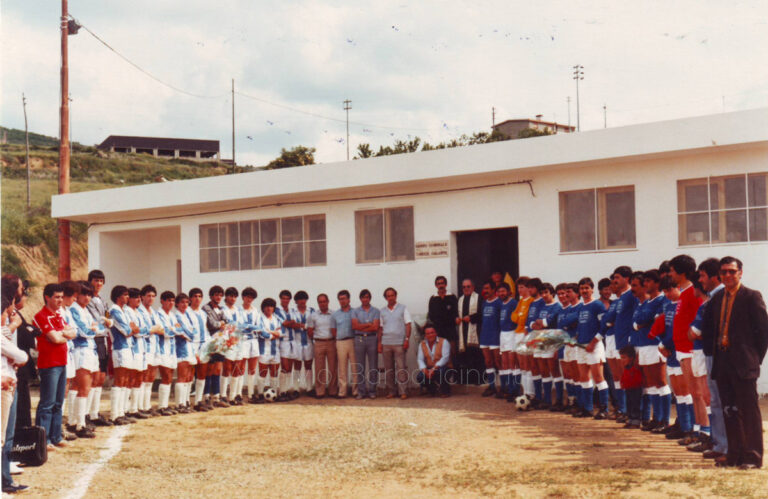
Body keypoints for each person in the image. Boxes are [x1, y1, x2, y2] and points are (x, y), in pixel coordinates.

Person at [701, 256, 768, 470]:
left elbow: (763, 334)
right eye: (724, 272)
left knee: (748, 412)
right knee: (728, 410)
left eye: (732, 271)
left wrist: (753, 359)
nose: (728, 275)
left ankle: (753, 456)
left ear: (740, 272)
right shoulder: (717, 297)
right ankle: (735, 454)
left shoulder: (751, 296)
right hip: (723, 362)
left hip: (744, 364)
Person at [33, 283, 76, 448]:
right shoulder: (41, 316)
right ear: (47, 297)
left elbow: (72, 332)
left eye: (61, 297)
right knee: (47, 403)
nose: (60, 300)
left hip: (62, 361)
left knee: (58, 402)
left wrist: (63, 334)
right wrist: (64, 334)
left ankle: (56, 436)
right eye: (56, 297)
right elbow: (56, 338)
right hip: (49, 364)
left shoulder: (58, 315)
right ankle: (43, 439)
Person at [693, 258, 727, 459]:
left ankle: (726, 446)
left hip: (721, 357)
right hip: (710, 355)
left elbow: (698, 331)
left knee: (722, 402)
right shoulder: (712, 299)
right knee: (715, 402)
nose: (701, 280)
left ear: (714, 277)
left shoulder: (722, 297)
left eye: (703, 275)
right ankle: (720, 444)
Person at [669, 254, 703, 443]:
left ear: (682, 272)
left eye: (673, 271)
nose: (670, 274)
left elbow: (700, 319)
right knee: (691, 392)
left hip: (690, 349)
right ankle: (695, 430)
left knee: (696, 393)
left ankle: (699, 432)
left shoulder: (693, 292)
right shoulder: (683, 293)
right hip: (681, 348)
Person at [85, 270, 110, 425]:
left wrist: (106, 322)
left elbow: (108, 319)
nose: (98, 284)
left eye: (101, 281)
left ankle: (94, 413)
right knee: (92, 378)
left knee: (100, 378)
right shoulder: (88, 301)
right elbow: (100, 321)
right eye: (96, 280)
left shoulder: (101, 300)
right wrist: (106, 322)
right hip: (94, 339)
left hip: (103, 339)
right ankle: (86, 414)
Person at [378, 287, 412, 400]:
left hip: (399, 343)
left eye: (392, 295)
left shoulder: (403, 308)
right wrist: (379, 342)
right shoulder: (382, 311)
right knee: (389, 369)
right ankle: (391, 391)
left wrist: (407, 339)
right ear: (386, 298)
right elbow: (380, 328)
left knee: (401, 367)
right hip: (386, 343)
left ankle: (403, 391)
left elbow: (408, 324)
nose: (390, 297)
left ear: (396, 296)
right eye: (388, 296)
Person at [351, 289, 380, 399]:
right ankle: (361, 391)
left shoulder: (376, 311)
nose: (365, 299)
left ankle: (372, 390)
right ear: (360, 299)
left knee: (373, 366)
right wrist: (368, 324)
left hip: (372, 339)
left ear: (370, 298)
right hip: (359, 339)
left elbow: (375, 327)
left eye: (367, 297)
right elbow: (354, 326)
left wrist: (362, 326)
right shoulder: (355, 311)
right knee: (360, 367)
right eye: (363, 297)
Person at [308, 294, 337, 398]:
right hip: (319, 343)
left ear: (328, 302)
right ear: (318, 303)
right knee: (319, 368)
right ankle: (320, 391)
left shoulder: (334, 314)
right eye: (320, 302)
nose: (322, 304)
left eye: (324, 301)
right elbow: (310, 331)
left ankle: (333, 390)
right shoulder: (313, 315)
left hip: (331, 342)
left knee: (332, 368)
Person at [426, 276, 458, 369]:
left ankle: (453, 376)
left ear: (446, 284)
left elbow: (456, 313)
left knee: (452, 352)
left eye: (442, 283)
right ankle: (443, 376)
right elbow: (431, 315)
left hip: (450, 330)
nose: (440, 285)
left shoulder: (452, 297)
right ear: (436, 285)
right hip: (438, 331)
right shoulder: (433, 299)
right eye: (438, 283)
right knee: (440, 354)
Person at [455, 279, 483, 385]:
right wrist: (456, 318)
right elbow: (456, 314)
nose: (466, 289)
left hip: (475, 330)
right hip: (463, 330)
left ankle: (478, 380)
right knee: (465, 355)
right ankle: (468, 380)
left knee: (476, 355)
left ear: (473, 287)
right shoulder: (460, 300)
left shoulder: (479, 298)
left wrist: (471, 317)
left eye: (468, 286)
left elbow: (481, 314)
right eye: (464, 287)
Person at [478, 280, 501, 397]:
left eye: (487, 288)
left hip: (495, 335)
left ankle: (503, 386)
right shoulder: (484, 303)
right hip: (485, 336)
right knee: (488, 362)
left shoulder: (499, 303)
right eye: (484, 288)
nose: (485, 291)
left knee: (498, 361)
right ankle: (492, 386)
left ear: (493, 290)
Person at [331, 290, 355, 398]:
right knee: (342, 368)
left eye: (344, 298)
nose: (342, 301)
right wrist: (339, 339)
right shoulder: (335, 314)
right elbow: (333, 330)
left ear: (349, 299)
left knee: (355, 367)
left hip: (353, 341)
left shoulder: (355, 312)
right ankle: (342, 391)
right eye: (340, 299)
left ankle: (356, 391)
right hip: (340, 342)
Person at [417, 323, 451, 397]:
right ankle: (433, 389)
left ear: (436, 333)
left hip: (444, 367)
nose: (430, 335)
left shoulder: (444, 342)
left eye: (432, 332)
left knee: (441, 372)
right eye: (428, 333)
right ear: (425, 335)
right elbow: (420, 359)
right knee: (420, 376)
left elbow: (445, 358)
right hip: (430, 368)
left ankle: (445, 391)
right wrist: (424, 369)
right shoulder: (422, 344)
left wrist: (434, 368)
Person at [619, 345, 643, 429]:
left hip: (636, 388)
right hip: (628, 388)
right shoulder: (626, 367)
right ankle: (630, 419)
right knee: (629, 403)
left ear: (632, 358)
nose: (622, 360)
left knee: (635, 404)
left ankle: (636, 420)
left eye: (624, 358)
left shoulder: (635, 366)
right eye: (621, 358)